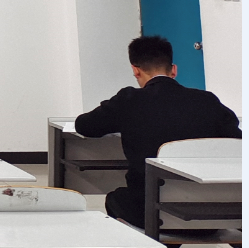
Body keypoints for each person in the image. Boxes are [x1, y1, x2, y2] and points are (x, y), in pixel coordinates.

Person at [75, 35, 241, 229]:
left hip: (152, 213)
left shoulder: (129, 100)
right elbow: (236, 142)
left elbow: (84, 126)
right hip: (214, 213)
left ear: (135, 70)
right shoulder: (207, 101)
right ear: (174, 70)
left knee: (116, 198)